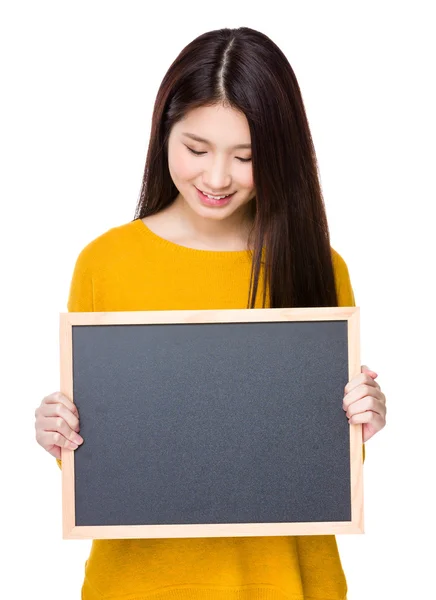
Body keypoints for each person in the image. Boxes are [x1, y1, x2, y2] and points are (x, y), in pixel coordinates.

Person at [34, 26, 387, 600]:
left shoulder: (317, 264)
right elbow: (109, 466)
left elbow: (317, 465)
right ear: (163, 133)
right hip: (141, 583)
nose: (217, 178)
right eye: (196, 149)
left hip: (286, 583)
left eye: (247, 157)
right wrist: (63, 435)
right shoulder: (106, 263)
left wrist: (361, 422)